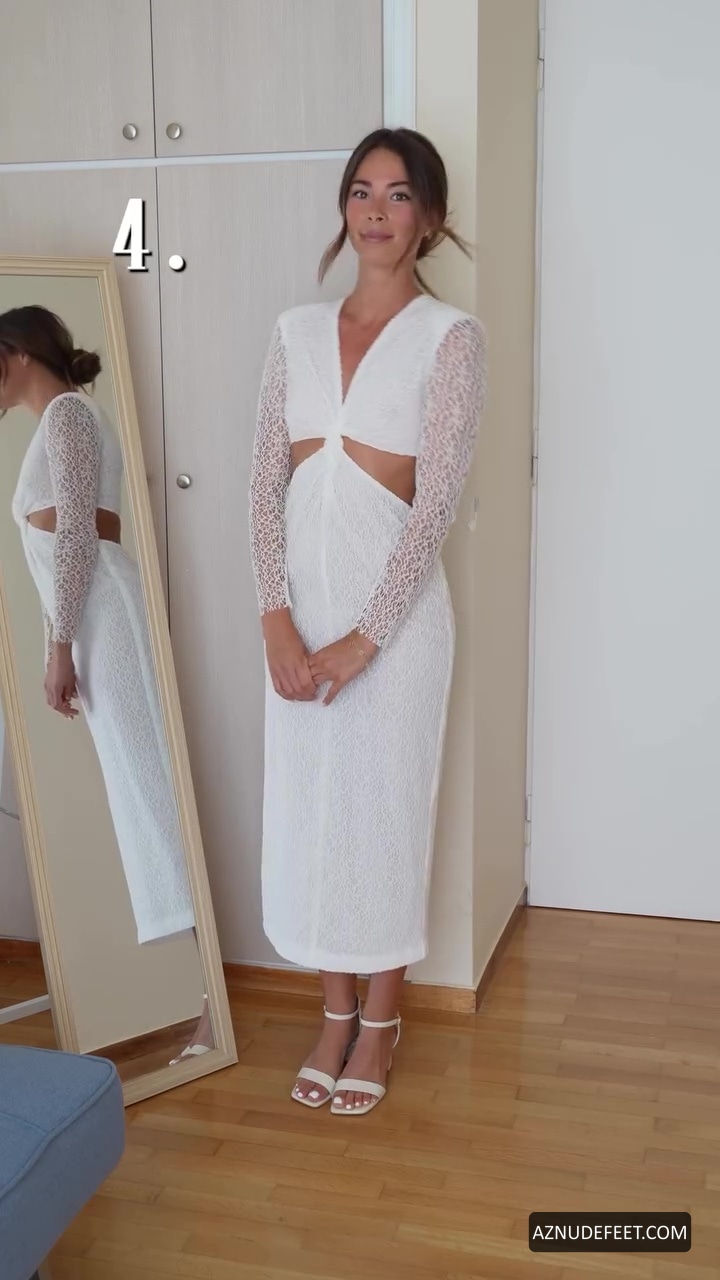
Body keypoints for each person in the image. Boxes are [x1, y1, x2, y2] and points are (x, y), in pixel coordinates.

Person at [248, 127, 487, 1116]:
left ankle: (380, 1021)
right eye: (361, 190)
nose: (376, 211)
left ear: (429, 217)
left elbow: (435, 508)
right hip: (299, 628)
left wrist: (364, 637)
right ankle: (332, 1010)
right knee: (312, 817)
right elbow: (264, 485)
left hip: (395, 634)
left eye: (398, 194)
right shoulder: (295, 331)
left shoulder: (450, 338)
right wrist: (275, 619)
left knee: (383, 819)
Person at [0, 305, 212, 1058]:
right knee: (142, 799)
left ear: (17, 353)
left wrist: (58, 647)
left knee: (154, 800)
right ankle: (196, 995)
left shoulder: (66, 415)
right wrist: (60, 644)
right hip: (92, 623)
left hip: (103, 623)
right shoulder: (61, 420)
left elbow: (78, 537)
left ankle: (210, 1004)